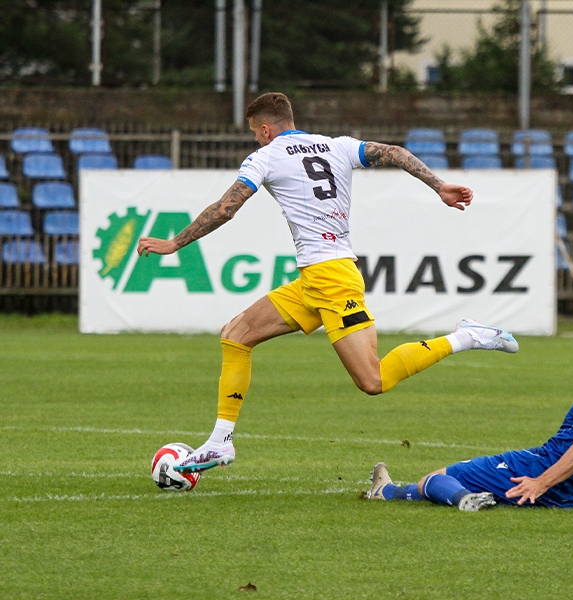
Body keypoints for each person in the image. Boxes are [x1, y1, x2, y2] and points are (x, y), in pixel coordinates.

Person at [135, 92, 519, 474]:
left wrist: (175, 243)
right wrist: (439, 187)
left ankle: (468, 337)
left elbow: (226, 208)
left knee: (373, 379)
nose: (255, 139)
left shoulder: (265, 157)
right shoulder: (338, 146)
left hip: (332, 279)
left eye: (255, 132)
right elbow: (395, 152)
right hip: (315, 278)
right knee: (236, 334)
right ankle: (220, 442)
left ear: (266, 129)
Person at [365, 330, 573, 511]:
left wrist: (541, 483)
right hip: (567, 497)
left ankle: (388, 492)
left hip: (538, 471)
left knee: (435, 479)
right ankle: (473, 495)